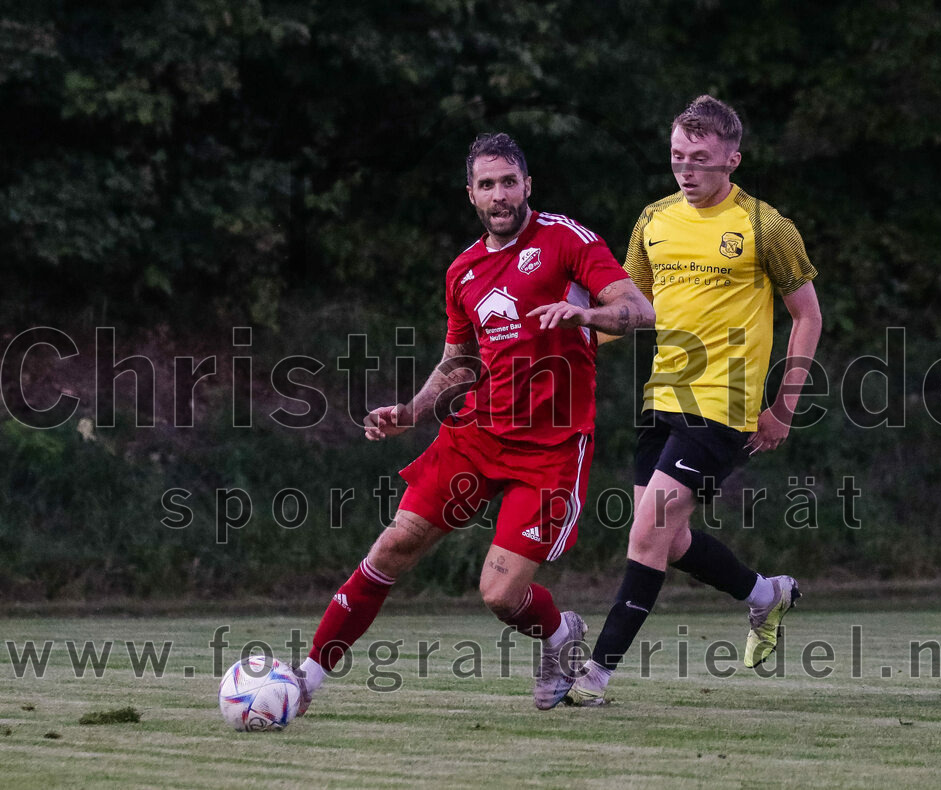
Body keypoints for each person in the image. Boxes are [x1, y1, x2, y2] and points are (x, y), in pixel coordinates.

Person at [294, 132, 654, 712]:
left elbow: (639, 309)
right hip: (475, 436)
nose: (500, 194)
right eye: (487, 184)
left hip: (550, 448)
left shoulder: (567, 240)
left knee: (500, 594)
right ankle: (304, 680)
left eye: (509, 181)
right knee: (392, 547)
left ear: (527, 185)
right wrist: (411, 412)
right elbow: (459, 362)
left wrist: (586, 314)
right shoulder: (463, 270)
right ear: (471, 194)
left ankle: (558, 634)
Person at [563, 95, 822, 706]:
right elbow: (630, 312)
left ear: (732, 160)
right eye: (678, 156)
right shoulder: (653, 220)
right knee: (670, 540)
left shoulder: (765, 226)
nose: (686, 168)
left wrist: (783, 408)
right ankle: (765, 594)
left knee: (647, 536)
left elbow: (807, 316)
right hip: (663, 398)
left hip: (724, 405)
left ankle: (594, 676)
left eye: (700, 158)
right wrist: (572, 332)